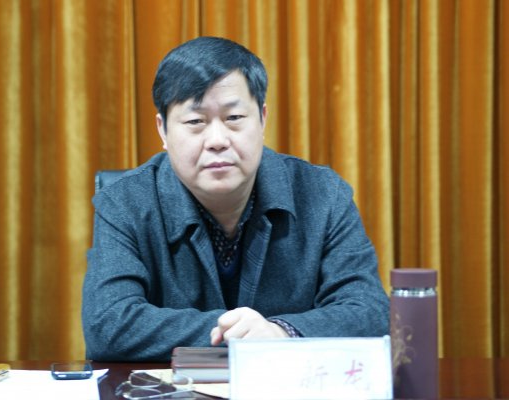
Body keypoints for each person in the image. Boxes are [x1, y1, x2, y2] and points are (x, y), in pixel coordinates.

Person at [82, 36, 389, 362]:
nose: (217, 140)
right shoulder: (125, 203)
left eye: (234, 118)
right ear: (163, 131)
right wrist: (239, 334)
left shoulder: (323, 195)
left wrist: (280, 332)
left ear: (262, 119)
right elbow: (108, 324)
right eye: (195, 122)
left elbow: (370, 311)